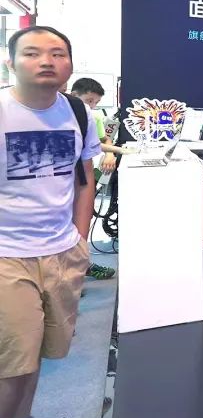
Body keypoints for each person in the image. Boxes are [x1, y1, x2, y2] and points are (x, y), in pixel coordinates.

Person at [1, 26, 101, 418]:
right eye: (32, 53)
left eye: (57, 53)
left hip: (61, 252)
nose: (46, 61)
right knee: (12, 362)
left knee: (39, 350)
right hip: (8, 256)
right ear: (11, 62)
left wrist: (79, 238)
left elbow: (85, 178)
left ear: (70, 64)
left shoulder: (77, 111)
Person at [70, 77, 120, 281]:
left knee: (81, 219)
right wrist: (119, 150)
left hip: (82, 175)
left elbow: (101, 140)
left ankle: (80, 266)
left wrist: (111, 152)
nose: (91, 106)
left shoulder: (92, 117)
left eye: (95, 102)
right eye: (89, 101)